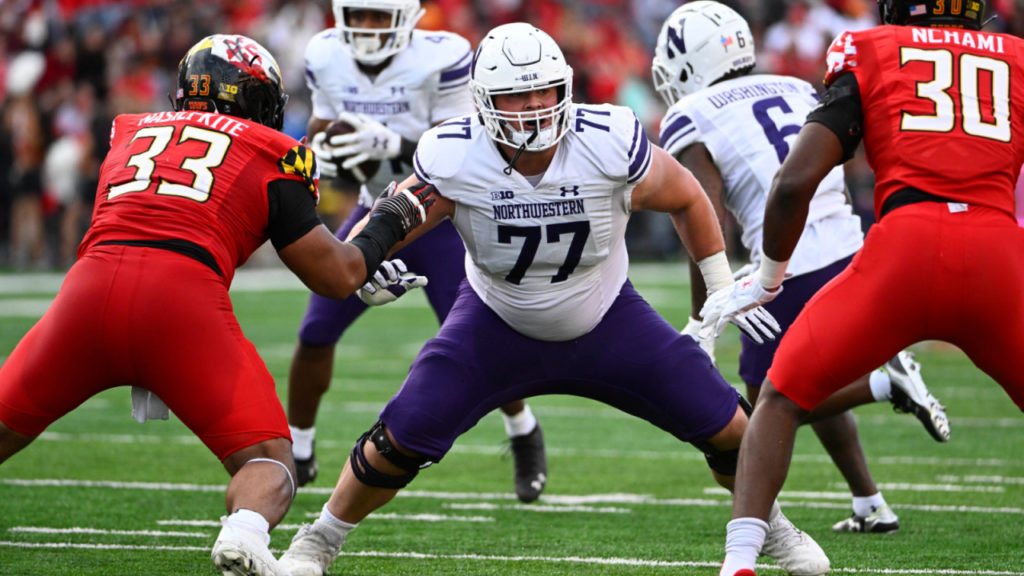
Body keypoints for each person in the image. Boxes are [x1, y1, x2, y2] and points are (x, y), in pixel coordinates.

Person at [277, 22, 830, 576]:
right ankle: (319, 539)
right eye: (517, 94)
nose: (535, 106)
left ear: (566, 86)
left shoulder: (606, 137)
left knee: (731, 425)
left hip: (609, 317)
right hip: (494, 323)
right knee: (399, 435)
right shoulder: (455, 151)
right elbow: (400, 210)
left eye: (545, 90)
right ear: (484, 101)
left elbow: (686, 194)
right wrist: (367, 256)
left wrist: (718, 285)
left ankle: (773, 527)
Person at [0, 34, 436, 576]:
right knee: (270, 465)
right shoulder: (272, 151)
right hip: (182, 304)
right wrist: (391, 218)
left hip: (86, 292)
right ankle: (245, 535)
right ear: (257, 100)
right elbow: (335, 276)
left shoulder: (130, 132)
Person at [700, 1, 1024, 573]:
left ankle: (740, 562)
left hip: (904, 252)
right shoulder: (1018, 60)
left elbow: (794, 182)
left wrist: (768, 278)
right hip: (999, 256)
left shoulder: (871, 49)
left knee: (778, 398)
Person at [651, 1, 950, 535]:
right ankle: (870, 502)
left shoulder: (691, 113)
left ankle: (884, 386)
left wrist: (704, 316)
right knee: (811, 367)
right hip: (852, 247)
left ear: (689, 62)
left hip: (788, 260)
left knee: (766, 396)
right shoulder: (791, 85)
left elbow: (702, 213)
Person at [290, 0, 548, 501]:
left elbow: (465, 149)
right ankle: (298, 448)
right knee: (316, 330)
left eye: (376, 16)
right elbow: (322, 129)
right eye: (358, 15)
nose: (365, 26)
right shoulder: (324, 53)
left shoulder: (445, 55)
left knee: (480, 344)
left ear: (407, 16)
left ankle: (523, 431)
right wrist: (321, 149)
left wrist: (394, 144)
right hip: (373, 211)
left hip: (437, 217)